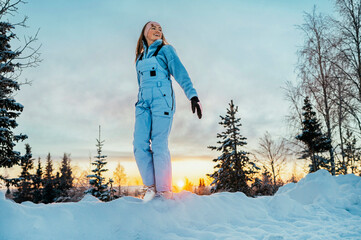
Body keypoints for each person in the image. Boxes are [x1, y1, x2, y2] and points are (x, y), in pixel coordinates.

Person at [133, 21, 202, 200]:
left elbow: (181, 73)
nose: (157, 30)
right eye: (153, 27)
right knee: (139, 145)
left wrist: (192, 96)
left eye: (160, 29)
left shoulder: (166, 50)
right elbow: (140, 84)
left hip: (162, 102)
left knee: (158, 144)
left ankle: (164, 191)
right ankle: (151, 187)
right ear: (144, 32)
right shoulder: (139, 59)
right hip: (143, 104)